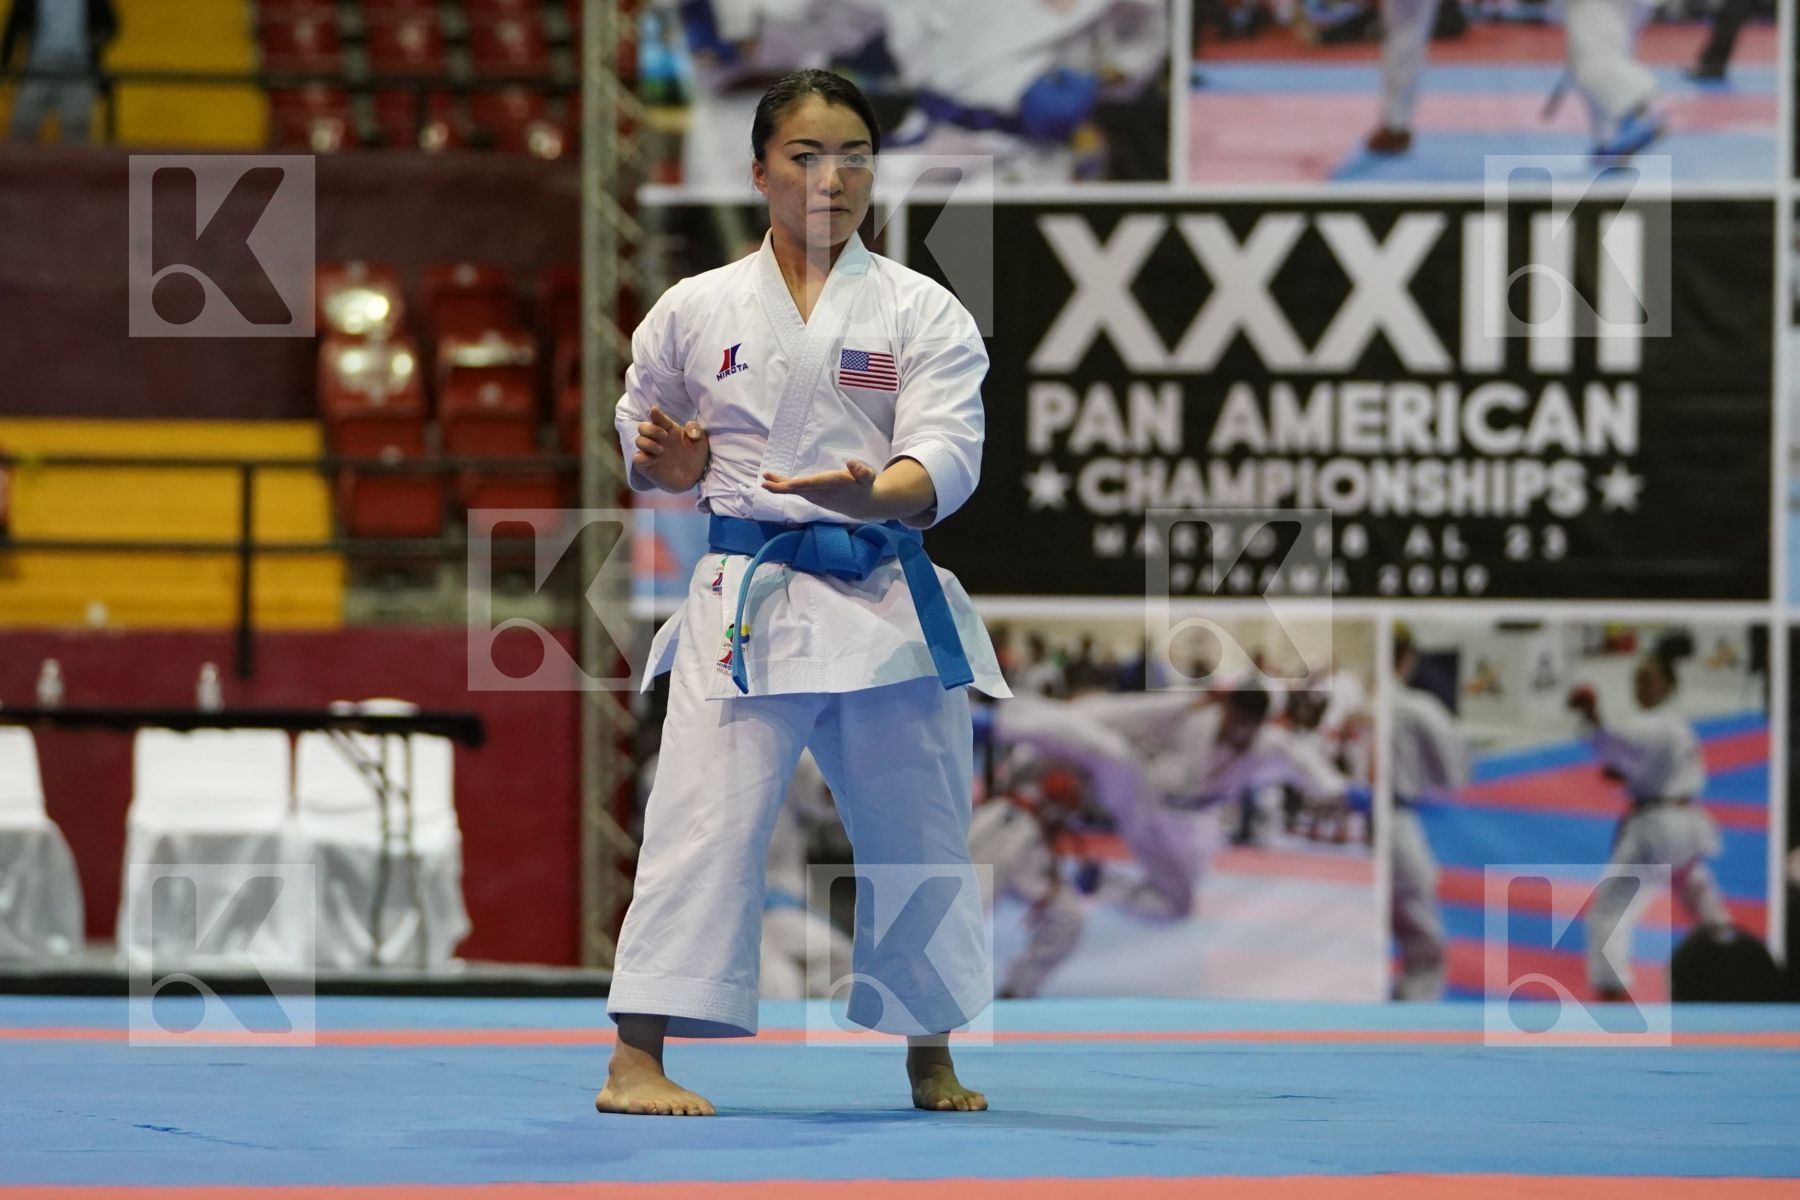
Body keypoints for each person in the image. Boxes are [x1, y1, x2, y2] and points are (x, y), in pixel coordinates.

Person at [600, 68, 1008, 1118]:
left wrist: (881, 490)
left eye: (856, 154)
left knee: (919, 824)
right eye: (807, 156)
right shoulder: (694, 309)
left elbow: (948, 458)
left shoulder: (925, 311)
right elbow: (645, 440)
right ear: (761, 171)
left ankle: (931, 1053)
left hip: (881, 593)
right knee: (701, 817)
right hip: (750, 593)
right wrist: (671, 470)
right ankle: (635, 1059)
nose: (835, 177)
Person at [1566, 631, 1734, 1002]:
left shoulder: (1649, 723)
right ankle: (1732, 958)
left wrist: (1591, 719)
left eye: (1648, 679)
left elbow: (1616, 741)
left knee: (1607, 914)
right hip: (1686, 824)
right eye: (1636, 679)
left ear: (1668, 685)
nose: (1639, 685)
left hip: (1658, 829)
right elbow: (1651, 763)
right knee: (1701, 898)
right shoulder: (1677, 725)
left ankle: (1613, 1000)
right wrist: (1628, 774)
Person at [1389, 625, 1466, 1001]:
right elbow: (1454, 775)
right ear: (1406, 659)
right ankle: (1410, 1039)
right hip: (1396, 825)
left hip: (1345, 830)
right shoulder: (1416, 707)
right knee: (1424, 947)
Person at [2, 0, 116, 143]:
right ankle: (18, 165)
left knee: (77, 127)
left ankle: (78, 164)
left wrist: (94, 43)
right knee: (23, 124)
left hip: (77, 68)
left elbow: (109, 25)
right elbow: (13, 26)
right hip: (38, 68)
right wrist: (6, 63)